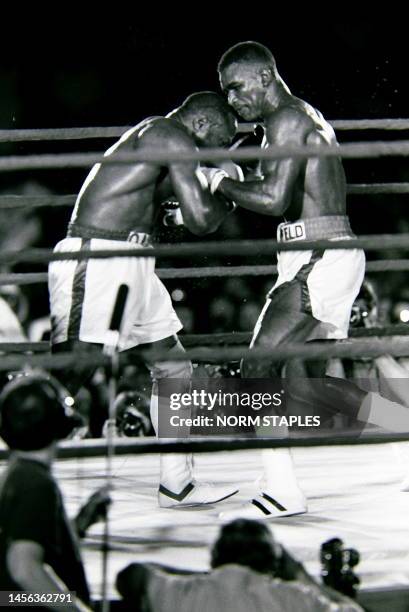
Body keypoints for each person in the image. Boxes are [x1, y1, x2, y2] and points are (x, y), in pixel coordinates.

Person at [212, 41, 409, 520]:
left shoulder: (288, 120)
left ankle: (283, 491)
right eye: (226, 93)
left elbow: (274, 199)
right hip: (316, 253)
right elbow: (274, 188)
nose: (232, 101)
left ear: (263, 77)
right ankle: (400, 427)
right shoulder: (289, 121)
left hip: (318, 256)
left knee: (258, 368)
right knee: (306, 384)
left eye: (237, 88)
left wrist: (219, 183)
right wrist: (235, 172)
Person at [48, 92, 241, 508]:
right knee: (72, 373)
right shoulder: (170, 135)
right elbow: (203, 221)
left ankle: (178, 483)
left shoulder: (164, 143)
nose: (216, 153)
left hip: (133, 262)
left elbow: (178, 218)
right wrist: (227, 182)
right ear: (203, 126)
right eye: (219, 143)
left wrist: (212, 185)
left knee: (173, 365)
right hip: (98, 257)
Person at [0, 372, 109, 611]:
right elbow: (23, 568)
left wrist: (79, 524)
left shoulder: (18, 474)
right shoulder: (35, 483)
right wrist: (74, 610)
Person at [116, 519, 363, 611]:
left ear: (214, 558)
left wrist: (212, 575)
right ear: (273, 563)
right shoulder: (294, 598)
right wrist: (300, 575)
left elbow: (131, 575)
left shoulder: (182, 594)